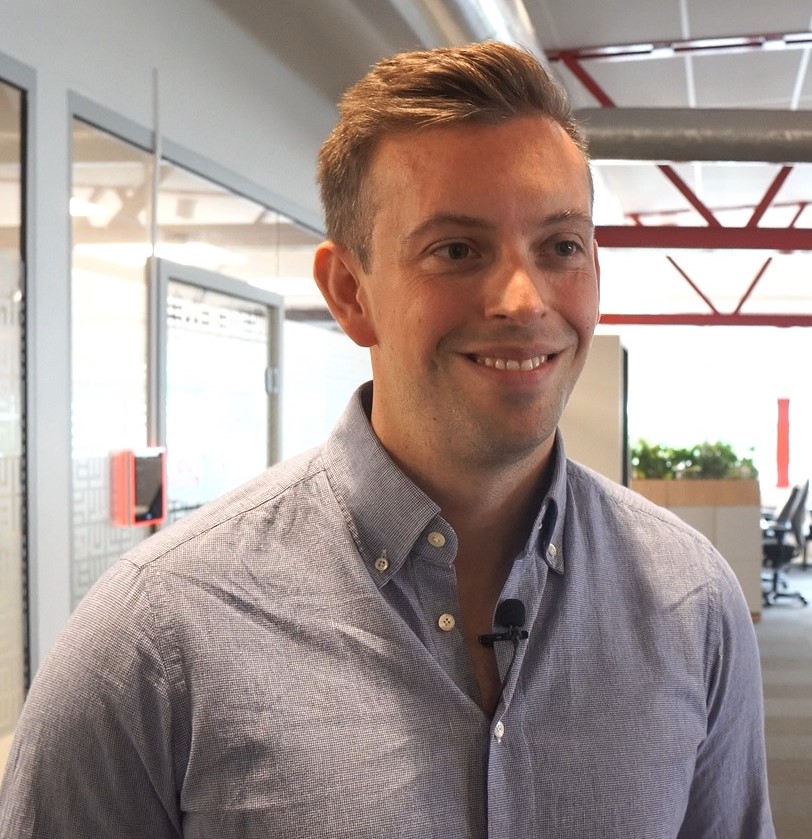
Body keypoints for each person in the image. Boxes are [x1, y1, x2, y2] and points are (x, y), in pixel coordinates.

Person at [0, 41, 774, 838]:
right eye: (456, 249)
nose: (522, 297)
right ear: (350, 292)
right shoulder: (155, 640)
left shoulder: (692, 607)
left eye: (561, 246)